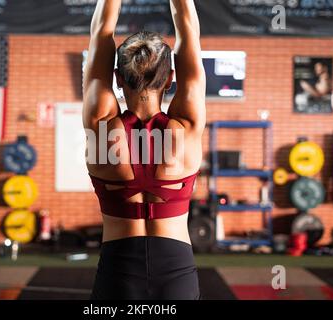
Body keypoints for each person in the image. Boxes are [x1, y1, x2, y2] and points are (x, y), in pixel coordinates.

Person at [82, 0, 206, 300]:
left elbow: (101, 32)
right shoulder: (186, 126)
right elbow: (188, 31)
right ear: (171, 80)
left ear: (118, 78)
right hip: (176, 272)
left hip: (117, 271)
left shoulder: (101, 124)